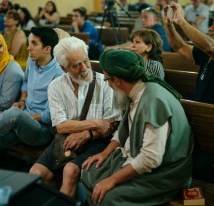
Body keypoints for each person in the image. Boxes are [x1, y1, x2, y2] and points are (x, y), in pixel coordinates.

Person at [81, 49, 193, 205]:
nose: (109, 86)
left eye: (107, 80)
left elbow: (150, 158)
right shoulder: (137, 89)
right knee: (88, 170)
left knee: (108, 197)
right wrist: (105, 153)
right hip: (134, 155)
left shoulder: (153, 100)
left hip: (164, 173)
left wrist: (111, 181)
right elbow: (125, 129)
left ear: (117, 80)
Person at [29, 36, 122, 198]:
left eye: (85, 61)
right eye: (76, 65)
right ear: (64, 68)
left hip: (98, 140)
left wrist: (87, 133)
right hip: (64, 138)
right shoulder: (56, 86)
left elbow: (111, 124)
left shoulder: (104, 84)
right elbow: (61, 126)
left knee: (70, 170)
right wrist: (95, 122)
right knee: (35, 173)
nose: (84, 68)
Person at [0, 27, 64, 179]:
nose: (28, 47)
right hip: (22, 120)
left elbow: (48, 116)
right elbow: (25, 81)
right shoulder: (33, 62)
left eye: (33, 44)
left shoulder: (59, 74)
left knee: (12, 113)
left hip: (41, 131)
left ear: (47, 49)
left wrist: (19, 116)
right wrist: (22, 100)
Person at [164, 1, 214, 104]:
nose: (210, 28)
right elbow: (179, 47)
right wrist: (169, 25)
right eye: (212, 24)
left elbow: (210, 47)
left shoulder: (209, 48)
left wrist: (182, 21)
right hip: (201, 109)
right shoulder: (205, 53)